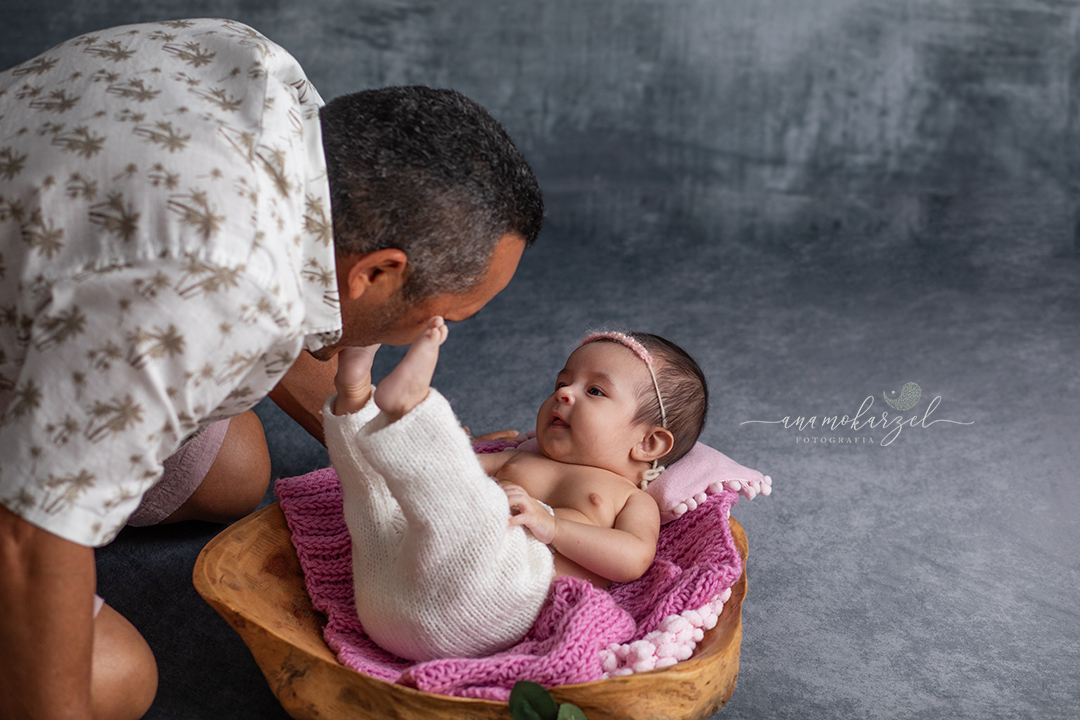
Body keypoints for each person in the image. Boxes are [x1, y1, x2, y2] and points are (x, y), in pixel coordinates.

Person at [0, 18, 543, 720]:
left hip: (42, 279)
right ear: (378, 272)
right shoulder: (213, 290)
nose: (436, 336)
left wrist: (447, 479)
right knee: (114, 680)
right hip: (81, 358)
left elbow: (299, 303)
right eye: (444, 319)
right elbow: (33, 536)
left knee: (231, 472)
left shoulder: (262, 73)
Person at [324, 321, 708, 660]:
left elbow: (633, 558)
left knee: (475, 506)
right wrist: (452, 456)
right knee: (376, 497)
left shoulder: (629, 498)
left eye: (594, 391)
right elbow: (423, 480)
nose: (564, 394)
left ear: (649, 444)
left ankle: (414, 408)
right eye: (562, 383)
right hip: (385, 592)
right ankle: (355, 395)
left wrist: (553, 526)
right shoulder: (518, 458)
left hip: (485, 604)